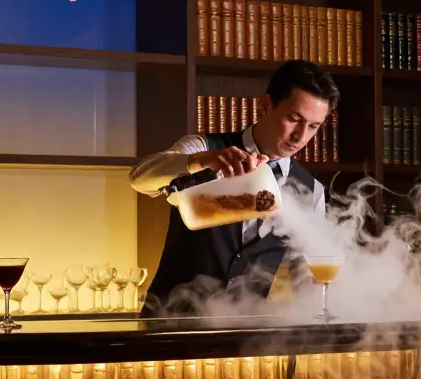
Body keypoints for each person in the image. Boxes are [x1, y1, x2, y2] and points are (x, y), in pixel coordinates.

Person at [130, 60, 338, 316]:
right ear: (265, 106)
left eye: (314, 126)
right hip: (168, 327)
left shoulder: (312, 191)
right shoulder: (204, 148)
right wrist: (202, 161)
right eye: (294, 119)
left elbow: (305, 280)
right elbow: (139, 178)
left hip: (241, 341)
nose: (301, 136)